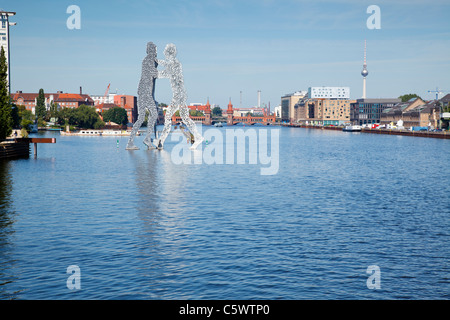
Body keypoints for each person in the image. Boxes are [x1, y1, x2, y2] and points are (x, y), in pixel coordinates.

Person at [155, 43, 204, 150]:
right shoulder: (175, 63)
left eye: (166, 53)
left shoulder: (175, 64)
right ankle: (198, 137)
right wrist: (157, 61)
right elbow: (166, 65)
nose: (165, 55)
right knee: (185, 118)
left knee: (168, 117)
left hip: (178, 95)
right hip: (180, 94)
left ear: (169, 54)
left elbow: (165, 72)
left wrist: (155, 73)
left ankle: (161, 142)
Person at [126, 42, 159, 150]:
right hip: (145, 92)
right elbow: (155, 74)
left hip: (143, 92)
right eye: (155, 50)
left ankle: (131, 142)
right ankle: (147, 139)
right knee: (153, 114)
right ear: (151, 51)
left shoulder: (148, 60)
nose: (156, 52)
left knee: (141, 118)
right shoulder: (149, 60)